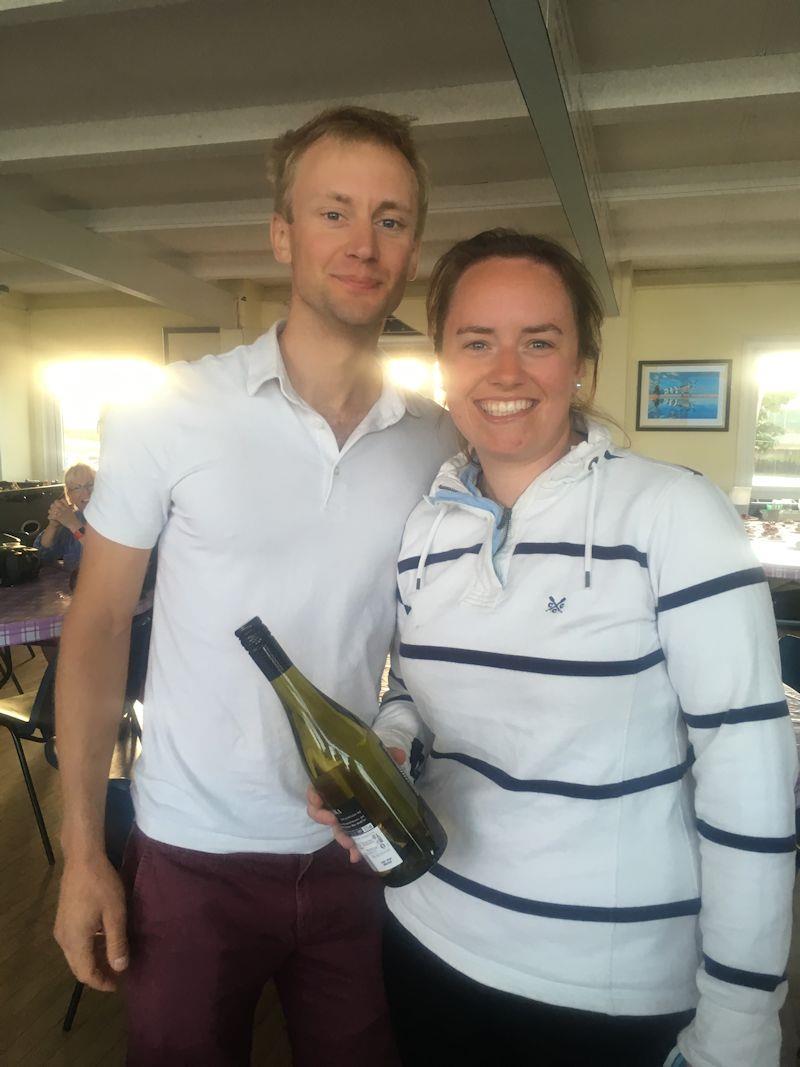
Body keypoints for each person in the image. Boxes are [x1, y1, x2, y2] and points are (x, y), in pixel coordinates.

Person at [312, 229, 798, 1067]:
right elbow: (415, 696)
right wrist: (390, 744)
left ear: (584, 368)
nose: (506, 372)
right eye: (476, 342)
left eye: (539, 341)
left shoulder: (674, 513)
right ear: (445, 366)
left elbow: (750, 778)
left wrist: (742, 1022)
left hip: (603, 989)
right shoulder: (427, 525)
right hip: (429, 938)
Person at [53, 106, 456, 1067]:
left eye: (392, 219)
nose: (363, 244)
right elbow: (102, 625)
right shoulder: (171, 412)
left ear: (413, 246)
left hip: (356, 851)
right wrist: (81, 850)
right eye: (335, 213)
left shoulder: (435, 439)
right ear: (282, 234)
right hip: (191, 855)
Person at [34, 462, 94, 568]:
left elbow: (99, 552)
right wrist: (53, 526)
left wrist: (74, 525)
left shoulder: (112, 517)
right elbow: (41, 555)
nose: (86, 492)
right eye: (77, 488)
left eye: (90, 485)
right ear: (69, 495)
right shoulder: (73, 517)